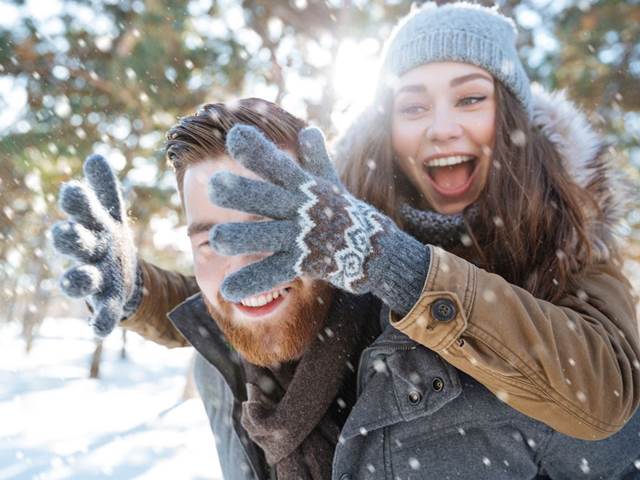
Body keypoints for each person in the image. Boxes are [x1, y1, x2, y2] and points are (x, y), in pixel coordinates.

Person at [51, 3, 640, 479]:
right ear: (388, 126)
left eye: (469, 98)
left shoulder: (570, 235)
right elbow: (265, 286)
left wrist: (392, 263)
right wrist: (139, 289)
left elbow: (605, 395)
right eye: (413, 105)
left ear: (508, 115)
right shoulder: (340, 214)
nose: (441, 127)